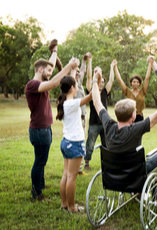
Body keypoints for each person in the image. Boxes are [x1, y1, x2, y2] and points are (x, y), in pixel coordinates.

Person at [91, 66, 157, 173]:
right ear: (133, 115)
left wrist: (95, 79)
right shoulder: (136, 129)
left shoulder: (108, 125)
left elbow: (97, 102)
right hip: (135, 175)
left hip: (113, 175)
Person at [25, 40, 79, 201]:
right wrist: (69, 66)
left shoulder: (41, 83)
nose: (50, 73)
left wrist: (54, 51)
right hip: (39, 130)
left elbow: (52, 68)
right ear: (40, 69)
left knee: (42, 160)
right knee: (40, 162)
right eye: (48, 71)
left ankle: (40, 185)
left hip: (44, 129)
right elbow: (55, 81)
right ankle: (36, 193)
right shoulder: (32, 85)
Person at [56, 72, 93, 212]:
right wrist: (96, 79)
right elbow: (90, 96)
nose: (77, 87)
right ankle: (72, 207)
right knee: (71, 176)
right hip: (74, 143)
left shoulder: (65, 102)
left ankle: (64, 204)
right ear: (72, 88)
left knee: (66, 174)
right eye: (76, 85)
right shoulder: (72, 103)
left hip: (66, 142)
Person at [84, 58, 114, 170]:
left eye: (102, 82)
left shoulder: (105, 92)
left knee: (106, 145)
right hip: (94, 123)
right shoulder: (91, 91)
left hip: (105, 122)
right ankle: (87, 163)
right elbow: (88, 77)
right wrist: (90, 62)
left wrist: (112, 67)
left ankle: (107, 163)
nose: (101, 84)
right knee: (90, 144)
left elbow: (111, 81)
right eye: (99, 82)